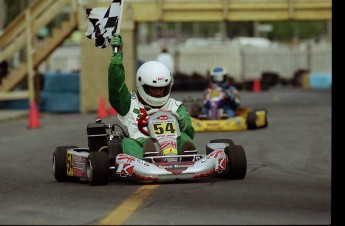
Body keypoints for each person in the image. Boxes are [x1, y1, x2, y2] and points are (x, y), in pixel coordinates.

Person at [108, 34, 195, 160]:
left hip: (173, 146)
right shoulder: (129, 103)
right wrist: (116, 60)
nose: (159, 93)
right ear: (142, 85)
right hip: (142, 144)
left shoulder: (175, 106)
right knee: (127, 143)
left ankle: (187, 157)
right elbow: (116, 88)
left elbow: (190, 133)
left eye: (162, 89)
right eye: (154, 89)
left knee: (185, 138)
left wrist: (183, 124)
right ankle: (147, 157)